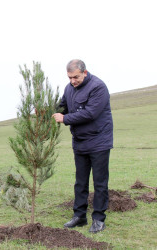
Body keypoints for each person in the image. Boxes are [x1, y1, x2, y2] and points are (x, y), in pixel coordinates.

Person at [52, 59, 113, 233]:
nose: (73, 81)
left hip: (99, 141)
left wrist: (65, 119)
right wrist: (47, 109)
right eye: (70, 77)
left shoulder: (98, 87)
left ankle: (99, 219)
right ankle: (79, 216)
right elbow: (62, 106)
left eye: (76, 77)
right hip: (80, 142)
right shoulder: (69, 88)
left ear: (85, 72)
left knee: (100, 183)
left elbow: (91, 113)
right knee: (80, 182)